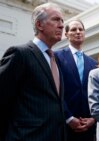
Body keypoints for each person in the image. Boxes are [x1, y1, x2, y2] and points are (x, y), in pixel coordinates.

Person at [0, 2, 66, 141]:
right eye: (55, 19)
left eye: (62, 21)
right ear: (39, 25)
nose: (61, 25)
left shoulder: (55, 60)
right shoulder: (19, 54)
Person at [55, 19, 97, 141]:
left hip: (87, 126)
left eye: (81, 29)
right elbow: (55, 90)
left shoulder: (94, 64)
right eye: (73, 29)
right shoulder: (57, 57)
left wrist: (92, 119)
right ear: (66, 34)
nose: (78, 32)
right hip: (64, 125)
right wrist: (68, 118)